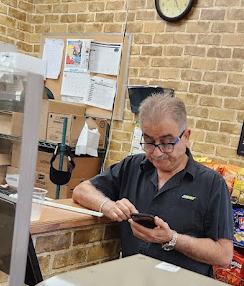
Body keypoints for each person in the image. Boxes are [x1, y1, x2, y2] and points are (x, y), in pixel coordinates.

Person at [72, 94, 234, 276]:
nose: (157, 153)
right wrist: (107, 205)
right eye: (149, 142)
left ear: (186, 136)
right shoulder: (132, 166)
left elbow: (224, 255)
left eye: (166, 143)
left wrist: (172, 239)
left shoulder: (212, 184)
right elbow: (81, 190)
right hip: (132, 282)